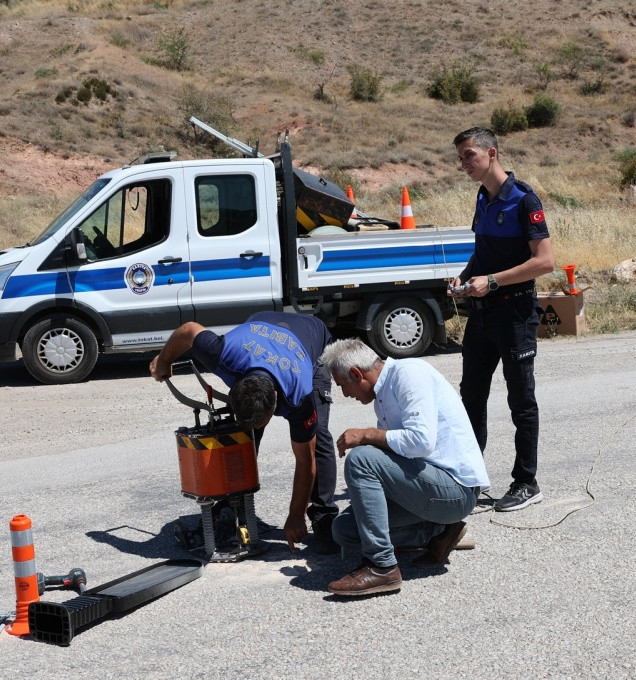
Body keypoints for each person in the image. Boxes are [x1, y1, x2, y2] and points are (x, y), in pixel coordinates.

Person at [150, 311, 338, 553]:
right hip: (261, 324)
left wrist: (295, 515)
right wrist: (164, 360)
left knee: (318, 436)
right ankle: (231, 504)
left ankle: (323, 516)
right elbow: (188, 330)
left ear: (276, 399)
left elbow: (305, 460)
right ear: (236, 385)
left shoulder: (298, 396)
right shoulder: (223, 355)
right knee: (241, 433)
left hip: (311, 341)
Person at [320, 338, 490, 597]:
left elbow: (420, 442)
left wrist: (366, 435)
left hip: (456, 490)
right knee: (344, 529)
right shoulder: (382, 395)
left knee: (361, 458)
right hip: (429, 489)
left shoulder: (408, 373)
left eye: (343, 385)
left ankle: (381, 567)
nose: (345, 394)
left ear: (356, 373)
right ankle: (439, 531)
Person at [449, 126, 555, 513]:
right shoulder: (483, 197)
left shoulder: (524, 199)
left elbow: (545, 261)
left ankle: (526, 482)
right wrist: (465, 276)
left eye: (468, 156)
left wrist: (491, 281)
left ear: (491, 153)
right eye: (460, 158)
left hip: (514, 313)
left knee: (520, 401)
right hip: (482, 314)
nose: (463, 164)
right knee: (471, 398)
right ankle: (471, 478)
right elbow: (483, 254)